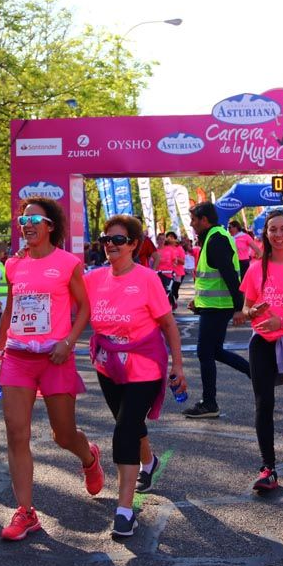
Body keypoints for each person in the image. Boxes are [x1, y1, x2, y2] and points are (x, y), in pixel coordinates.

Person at [0, 196, 102, 541]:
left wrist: (68, 342)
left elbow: (84, 307)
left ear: (50, 226)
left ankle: (88, 457)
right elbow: (10, 311)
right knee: (16, 433)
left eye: (34, 220)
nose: (27, 226)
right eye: (23, 221)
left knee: (64, 435)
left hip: (54, 358)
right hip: (18, 357)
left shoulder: (67, 263)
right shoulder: (13, 264)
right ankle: (26, 512)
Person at [84, 215, 187, 538]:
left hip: (145, 365)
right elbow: (64, 301)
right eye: (106, 239)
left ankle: (125, 511)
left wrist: (178, 365)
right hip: (108, 365)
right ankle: (149, 462)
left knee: (124, 431)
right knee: (128, 422)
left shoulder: (147, 279)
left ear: (133, 244)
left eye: (118, 240)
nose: (110, 245)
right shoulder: (93, 279)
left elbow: (168, 324)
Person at [239, 209, 283, 493]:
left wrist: (281, 322)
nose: (278, 235)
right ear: (265, 234)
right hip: (262, 341)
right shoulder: (256, 268)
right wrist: (252, 311)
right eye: (273, 230)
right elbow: (245, 308)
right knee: (263, 403)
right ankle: (268, 468)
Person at [183, 202, 250, 419]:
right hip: (213, 306)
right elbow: (212, 278)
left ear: (204, 220)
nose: (191, 224)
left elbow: (230, 275)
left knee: (205, 352)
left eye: (194, 220)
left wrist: (239, 308)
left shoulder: (216, 239)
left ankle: (210, 403)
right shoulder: (213, 237)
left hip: (219, 307)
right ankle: (258, 376)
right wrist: (198, 301)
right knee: (215, 351)